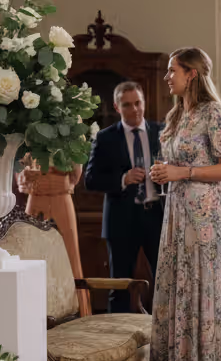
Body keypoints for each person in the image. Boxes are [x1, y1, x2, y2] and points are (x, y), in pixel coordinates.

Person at [147, 49, 221, 361]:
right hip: (176, 216)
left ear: (192, 73)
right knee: (177, 299)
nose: (167, 76)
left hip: (205, 219)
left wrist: (180, 171)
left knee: (202, 301)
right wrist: (163, 173)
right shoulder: (176, 114)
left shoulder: (214, 113)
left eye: (173, 70)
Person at [84, 82, 164, 313]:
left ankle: (163, 337)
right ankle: (117, 342)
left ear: (144, 102)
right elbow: (91, 180)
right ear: (117, 108)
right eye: (127, 105)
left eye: (138, 103)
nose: (135, 109)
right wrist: (123, 179)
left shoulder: (163, 132)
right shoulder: (105, 137)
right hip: (121, 221)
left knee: (165, 283)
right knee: (119, 286)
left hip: (156, 217)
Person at [19, 156, 91, 316]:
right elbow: (75, 175)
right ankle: (30, 312)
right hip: (41, 196)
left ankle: (77, 311)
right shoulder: (70, 136)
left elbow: (75, 177)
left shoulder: (70, 135)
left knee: (69, 256)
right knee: (30, 255)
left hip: (58, 195)